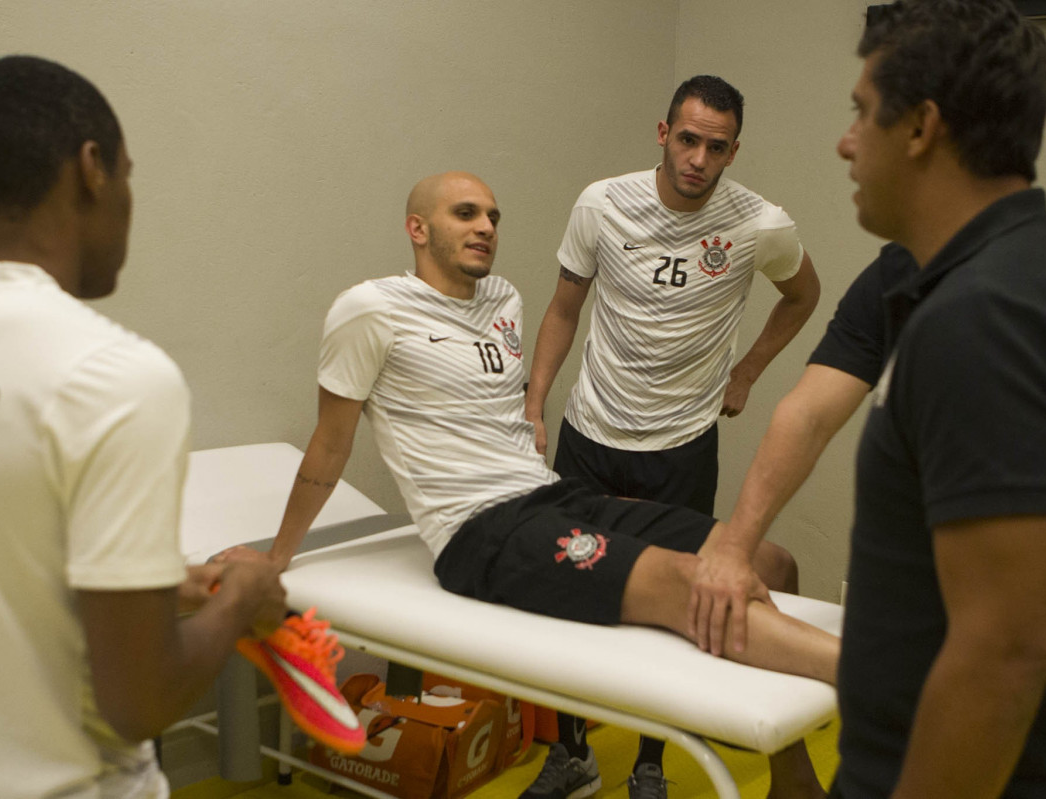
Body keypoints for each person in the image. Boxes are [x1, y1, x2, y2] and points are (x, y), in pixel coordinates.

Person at [218, 170, 839, 799]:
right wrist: (278, 557)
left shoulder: (503, 301)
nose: (485, 227)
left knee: (769, 561)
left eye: (492, 216)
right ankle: (878, 675)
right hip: (480, 532)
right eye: (465, 213)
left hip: (553, 497)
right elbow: (331, 442)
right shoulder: (371, 310)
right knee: (686, 585)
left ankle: (792, 784)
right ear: (418, 228)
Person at [0, 56, 290, 799]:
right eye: (129, 174)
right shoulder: (114, 376)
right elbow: (141, 699)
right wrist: (244, 595)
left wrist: (162, 582)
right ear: (92, 169)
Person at [522, 74, 821, 798]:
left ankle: (650, 760)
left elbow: (804, 293)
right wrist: (533, 405)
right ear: (663, 134)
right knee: (569, 593)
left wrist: (748, 369)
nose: (698, 158)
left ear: (733, 151)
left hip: (683, 443)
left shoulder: (759, 224)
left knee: (683, 603)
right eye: (687, 140)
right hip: (591, 431)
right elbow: (565, 308)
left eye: (716, 147)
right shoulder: (602, 203)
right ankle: (571, 753)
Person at [830, 1, 1046, 795]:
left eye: (861, 113)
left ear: (921, 128)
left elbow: (1006, 651)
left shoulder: (984, 317)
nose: (845, 142)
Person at [691, 214, 1046, 661]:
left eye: (867, 138)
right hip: (921, 577)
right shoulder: (897, 272)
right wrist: (733, 553)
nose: (847, 147)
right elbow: (808, 415)